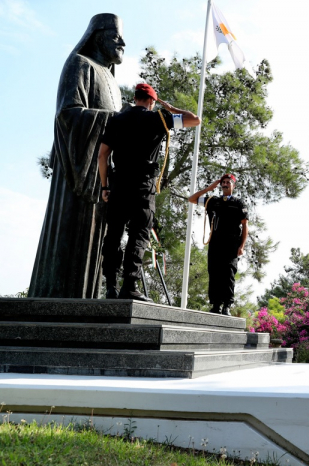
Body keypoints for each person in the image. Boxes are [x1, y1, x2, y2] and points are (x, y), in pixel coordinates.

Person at [30, 14, 125, 298]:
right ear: (98, 36)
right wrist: (115, 121)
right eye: (115, 35)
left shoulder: (110, 78)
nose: (122, 42)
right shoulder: (79, 65)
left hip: (102, 173)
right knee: (71, 239)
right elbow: (67, 114)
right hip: (76, 169)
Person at [99, 83, 201, 300]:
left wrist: (105, 186)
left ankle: (110, 285)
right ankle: (129, 286)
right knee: (139, 234)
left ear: (135, 98)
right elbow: (195, 119)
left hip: (119, 184)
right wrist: (171, 108)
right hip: (142, 186)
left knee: (114, 233)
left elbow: (102, 155)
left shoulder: (116, 120)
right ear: (152, 101)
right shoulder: (160, 118)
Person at [189, 174, 249, 314]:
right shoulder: (212, 201)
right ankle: (215, 304)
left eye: (228, 182)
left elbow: (245, 225)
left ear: (233, 185)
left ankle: (227, 305)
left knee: (228, 274)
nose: (225, 184)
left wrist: (242, 246)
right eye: (223, 182)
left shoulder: (239, 204)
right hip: (215, 242)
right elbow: (191, 199)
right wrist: (209, 188)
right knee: (214, 273)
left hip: (232, 243)